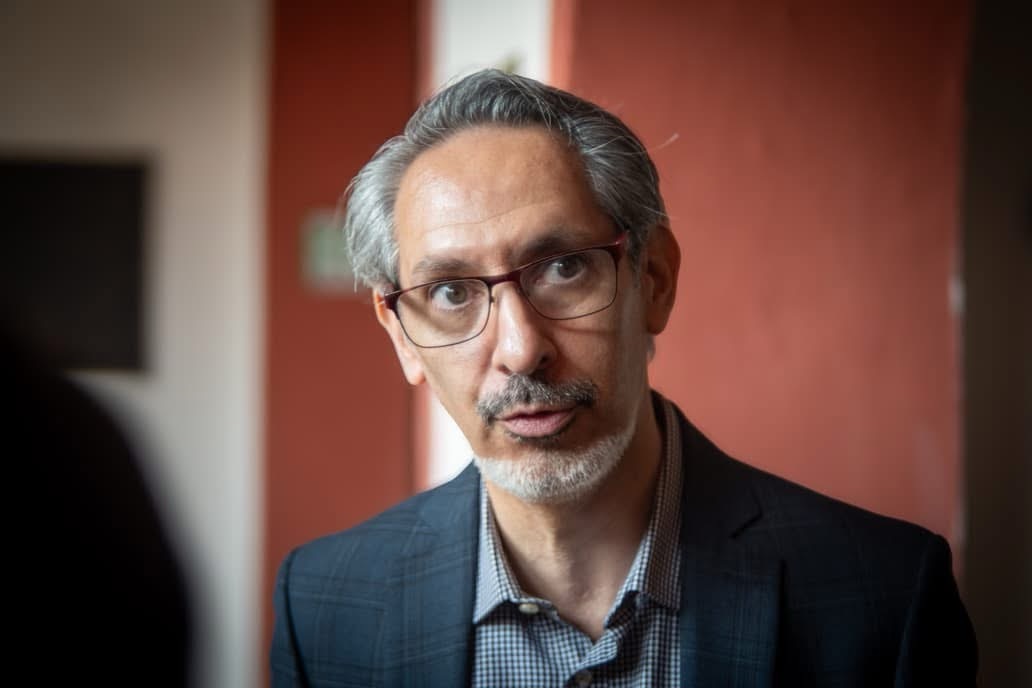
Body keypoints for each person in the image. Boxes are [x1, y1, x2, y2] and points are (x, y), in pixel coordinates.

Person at [270, 70, 976, 687]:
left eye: (563, 267)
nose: (520, 349)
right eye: (451, 292)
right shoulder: (323, 608)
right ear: (402, 335)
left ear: (655, 280)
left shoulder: (885, 597)